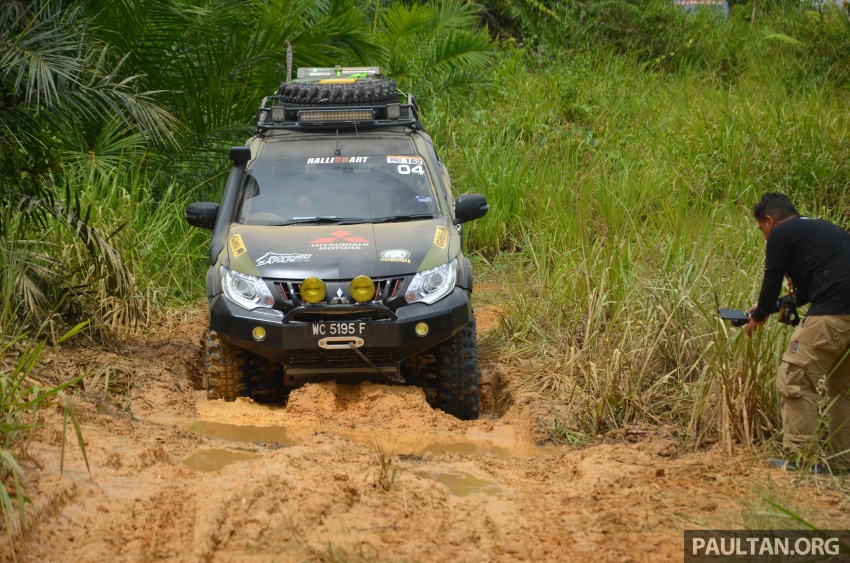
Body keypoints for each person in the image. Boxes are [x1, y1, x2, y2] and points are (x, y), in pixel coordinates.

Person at [745, 192, 850, 473]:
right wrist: (778, 305)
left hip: (831, 315)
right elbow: (808, 290)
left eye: (762, 230)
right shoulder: (827, 229)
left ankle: (803, 461)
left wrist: (759, 314)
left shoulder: (781, 233)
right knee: (843, 390)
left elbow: (771, 280)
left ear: (770, 220)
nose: (765, 237)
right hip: (844, 313)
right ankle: (843, 463)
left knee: (795, 379)